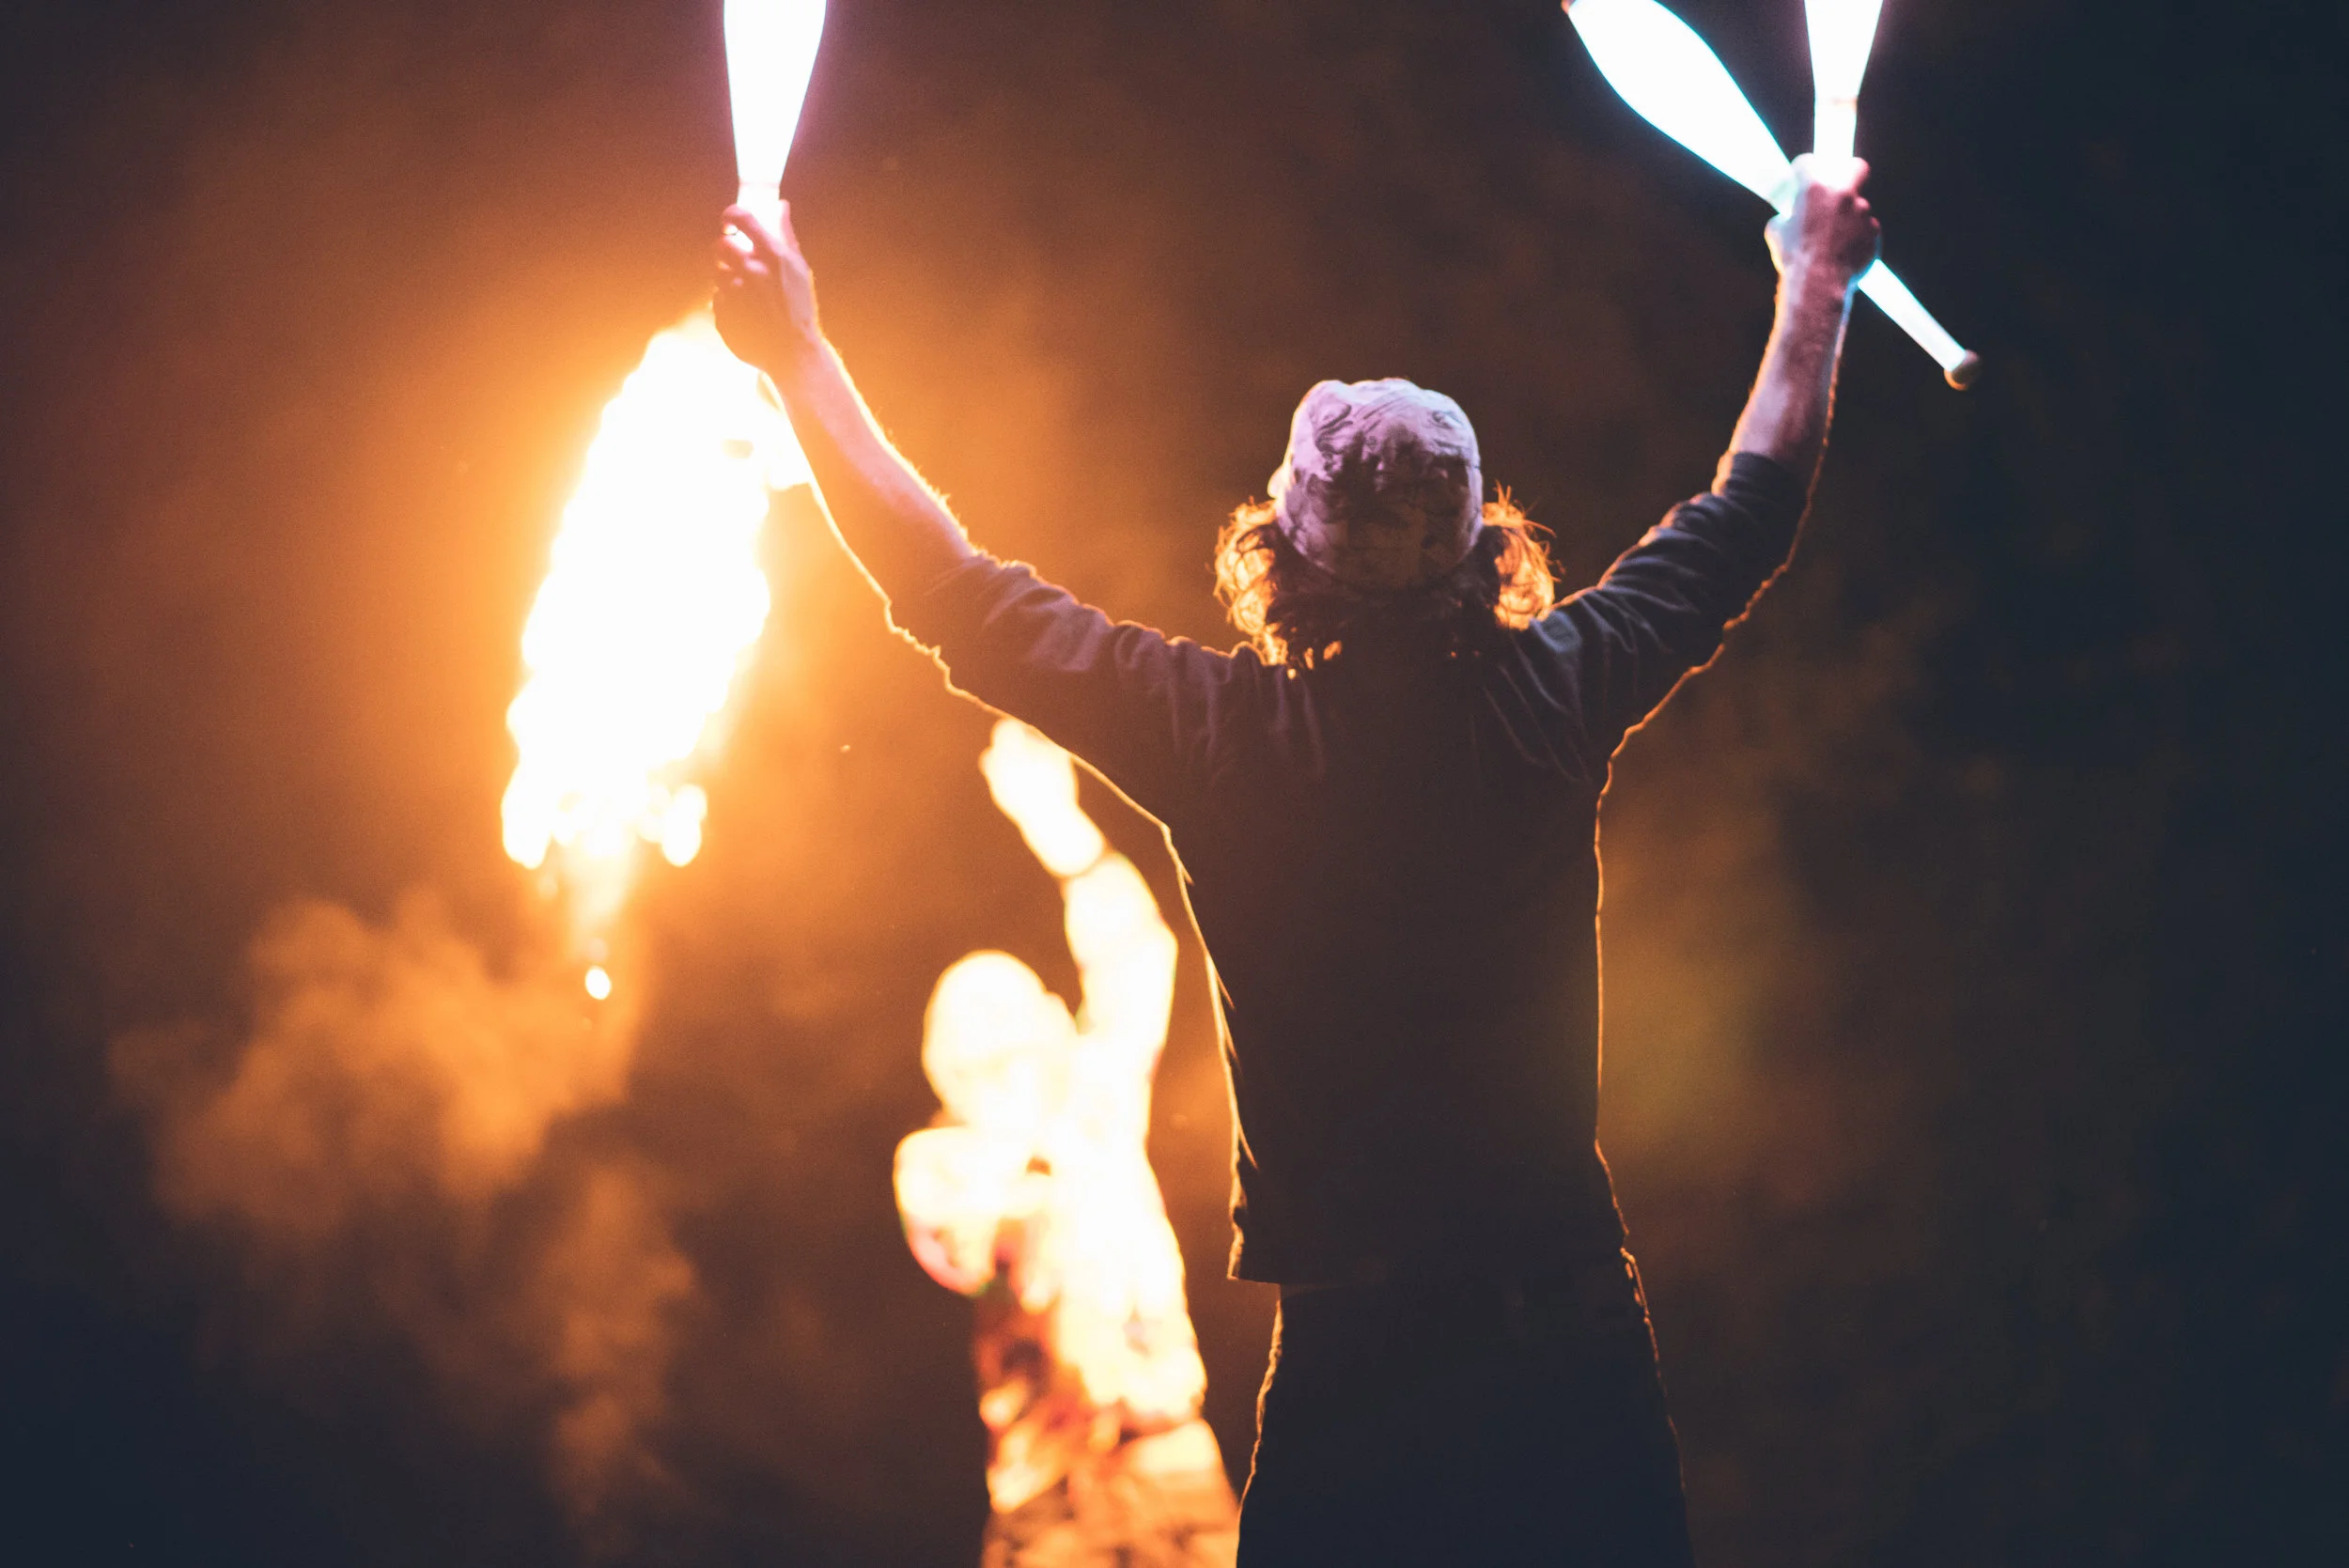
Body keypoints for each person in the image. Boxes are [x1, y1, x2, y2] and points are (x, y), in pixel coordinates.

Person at [713, 152, 1881, 1564]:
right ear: (1481, 553)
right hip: (1565, 1344)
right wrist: (1813, 282)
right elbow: (1746, 513)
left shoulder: (1221, 741)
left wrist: (797, 354)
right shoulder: (1553, 697)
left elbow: (946, 588)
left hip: (1363, 1367)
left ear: (1283, 548)